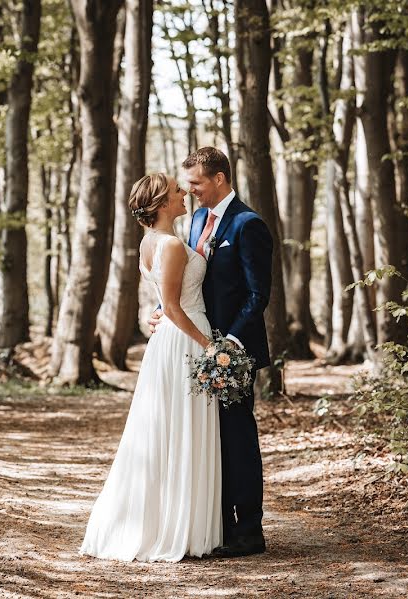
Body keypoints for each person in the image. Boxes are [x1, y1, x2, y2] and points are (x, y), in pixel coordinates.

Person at [79, 173, 222, 562]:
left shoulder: (150, 242)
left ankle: (169, 522)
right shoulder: (172, 244)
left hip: (171, 340)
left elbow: (163, 301)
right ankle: (174, 529)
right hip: (186, 340)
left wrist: (155, 315)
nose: (183, 195)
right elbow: (174, 306)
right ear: (161, 204)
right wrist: (211, 347)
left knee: (167, 426)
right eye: (177, 191)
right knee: (178, 427)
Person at [152, 147, 272, 558]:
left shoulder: (248, 224)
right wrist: (159, 312)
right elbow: (185, 279)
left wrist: (228, 346)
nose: (191, 192)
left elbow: (258, 296)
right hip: (195, 344)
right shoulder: (197, 220)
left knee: (237, 437)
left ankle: (249, 530)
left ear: (219, 179)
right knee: (208, 439)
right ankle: (216, 524)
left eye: (197, 184)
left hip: (231, 350)